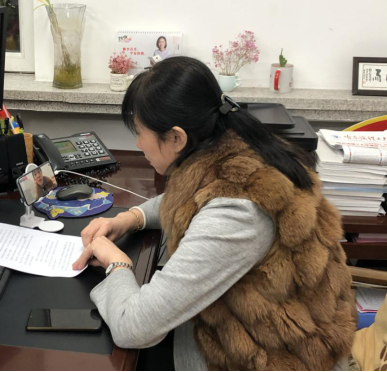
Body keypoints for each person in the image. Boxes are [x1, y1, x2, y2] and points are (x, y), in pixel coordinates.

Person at [72, 57, 356, 371]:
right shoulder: (237, 147)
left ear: (177, 138)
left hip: (272, 356)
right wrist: (131, 218)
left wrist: (117, 262)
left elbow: (133, 327)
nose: (138, 144)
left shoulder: (236, 215)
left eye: (140, 132)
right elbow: (191, 198)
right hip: (259, 330)